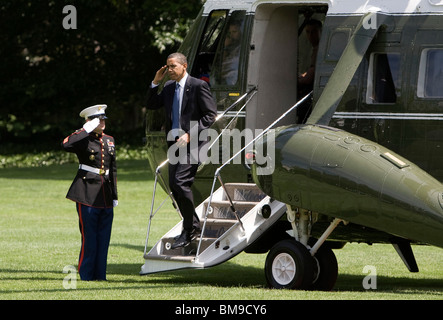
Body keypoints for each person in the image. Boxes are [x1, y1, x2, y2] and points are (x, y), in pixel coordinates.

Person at [146, 52, 217, 249]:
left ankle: (191, 228)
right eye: (167, 67)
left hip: (195, 143)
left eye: (173, 66)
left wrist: (190, 134)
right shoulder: (168, 87)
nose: (169, 70)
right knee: (174, 186)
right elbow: (151, 104)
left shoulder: (198, 86)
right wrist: (155, 82)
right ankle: (191, 226)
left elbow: (210, 115)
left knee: (180, 181)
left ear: (184, 66)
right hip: (175, 145)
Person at [62, 104, 118, 281]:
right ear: (90, 121)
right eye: (98, 120)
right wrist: (84, 130)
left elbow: (113, 169)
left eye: (103, 119)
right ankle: (86, 275)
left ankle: (100, 275)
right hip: (86, 192)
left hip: (105, 194)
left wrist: (114, 195)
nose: (102, 123)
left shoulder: (109, 139)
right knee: (90, 237)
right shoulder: (82, 139)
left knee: (104, 238)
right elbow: (65, 145)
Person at [297, 19, 322, 123]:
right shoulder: (314, 49)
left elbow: (308, 79)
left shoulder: (320, 50)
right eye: (308, 32)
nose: (311, 35)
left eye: (314, 32)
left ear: (321, 31)